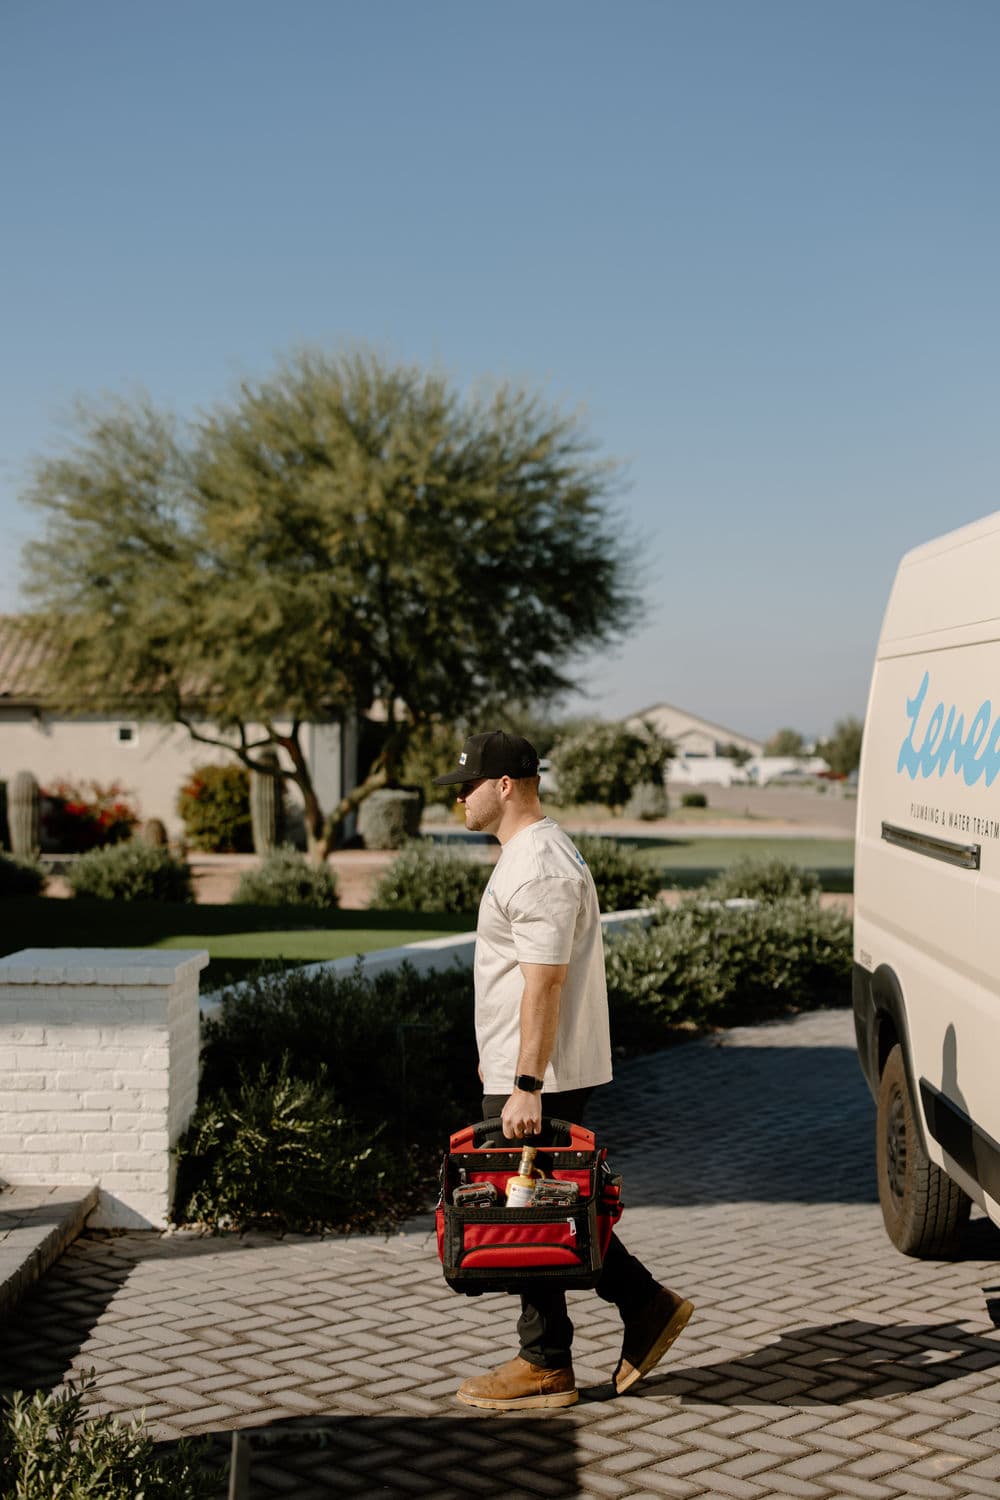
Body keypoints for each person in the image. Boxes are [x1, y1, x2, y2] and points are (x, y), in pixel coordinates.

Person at [433, 729, 694, 1411]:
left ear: (506, 786)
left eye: (466, 785)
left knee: (530, 1212)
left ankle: (546, 1363)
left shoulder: (538, 865)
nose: (457, 797)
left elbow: (544, 982)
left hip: (533, 1074)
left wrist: (526, 1085)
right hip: (530, 1067)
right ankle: (643, 1308)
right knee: (548, 1204)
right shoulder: (532, 853)